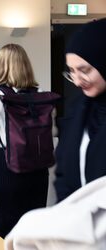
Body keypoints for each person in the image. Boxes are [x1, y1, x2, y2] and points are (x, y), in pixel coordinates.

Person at [0, 44, 49, 238]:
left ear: (2, 65)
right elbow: (52, 131)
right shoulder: (41, 94)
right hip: (39, 169)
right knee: (35, 222)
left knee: (7, 224)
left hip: (9, 167)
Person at [55, 18, 106, 202]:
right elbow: (63, 174)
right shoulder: (78, 108)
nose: (77, 81)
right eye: (72, 71)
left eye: (84, 70)